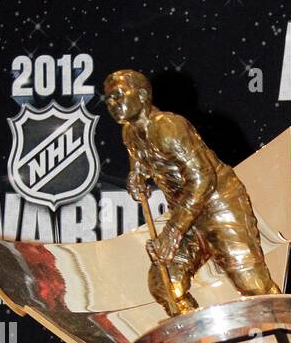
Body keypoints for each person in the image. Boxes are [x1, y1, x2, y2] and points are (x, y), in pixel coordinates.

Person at [103, 68, 277, 312]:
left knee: (254, 287)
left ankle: (290, 339)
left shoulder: (167, 127)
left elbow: (203, 179)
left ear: (142, 95)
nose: (113, 103)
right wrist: (137, 176)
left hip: (218, 206)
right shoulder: (130, 132)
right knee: (165, 284)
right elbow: (142, 162)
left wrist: (172, 233)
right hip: (186, 216)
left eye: (119, 95)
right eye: (109, 99)